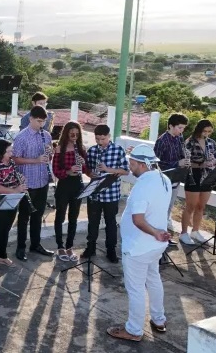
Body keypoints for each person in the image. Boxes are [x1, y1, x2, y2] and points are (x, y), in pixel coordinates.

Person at [107, 144, 171, 342]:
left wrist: (156, 233)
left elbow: (138, 220)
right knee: (153, 279)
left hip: (139, 247)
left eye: (131, 163)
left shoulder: (143, 185)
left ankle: (134, 330)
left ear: (142, 164)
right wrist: (158, 234)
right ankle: (159, 319)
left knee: (135, 289)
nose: (130, 166)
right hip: (155, 246)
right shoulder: (164, 178)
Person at [11, 106, 55, 261]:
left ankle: (35, 244)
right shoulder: (21, 137)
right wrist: (35, 160)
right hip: (28, 182)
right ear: (30, 119)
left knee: (38, 216)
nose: (41, 124)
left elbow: (48, 158)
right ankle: (20, 247)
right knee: (24, 217)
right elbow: (15, 159)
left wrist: (49, 154)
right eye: (38, 121)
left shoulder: (47, 136)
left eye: (43, 121)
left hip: (42, 181)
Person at [83, 125, 129, 263]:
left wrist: (107, 169)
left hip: (111, 193)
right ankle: (90, 248)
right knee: (93, 223)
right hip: (95, 194)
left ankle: (111, 250)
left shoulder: (118, 150)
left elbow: (126, 171)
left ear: (109, 136)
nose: (100, 142)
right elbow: (88, 170)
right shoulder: (92, 151)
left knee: (110, 223)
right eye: (97, 139)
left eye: (103, 139)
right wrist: (92, 173)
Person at [0, 139, 29, 272]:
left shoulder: (11, 163)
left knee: (5, 230)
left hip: (12, 201)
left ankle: (2, 256)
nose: (11, 153)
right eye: (9, 151)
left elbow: (13, 177)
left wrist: (20, 179)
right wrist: (16, 190)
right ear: (1, 152)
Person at [180, 119, 216, 245]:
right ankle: (183, 233)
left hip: (208, 175)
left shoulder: (211, 142)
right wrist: (201, 163)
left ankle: (195, 231)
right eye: (205, 131)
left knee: (201, 206)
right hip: (193, 175)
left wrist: (213, 161)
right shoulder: (190, 142)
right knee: (190, 206)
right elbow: (185, 161)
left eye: (209, 131)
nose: (207, 134)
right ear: (199, 129)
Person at [52, 121, 88, 262]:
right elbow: (56, 171)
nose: (74, 136)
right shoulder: (59, 148)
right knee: (60, 216)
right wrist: (68, 171)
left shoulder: (80, 148)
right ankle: (60, 246)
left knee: (74, 217)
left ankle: (69, 246)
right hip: (64, 185)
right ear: (67, 133)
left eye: (77, 134)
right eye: (72, 133)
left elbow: (85, 170)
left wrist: (83, 164)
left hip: (77, 185)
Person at [153, 113, 191, 246]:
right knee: (161, 209)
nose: (182, 131)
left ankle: (164, 236)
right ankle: (160, 236)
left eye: (183, 128)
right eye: (179, 128)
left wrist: (186, 158)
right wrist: (177, 163)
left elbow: (181, 153)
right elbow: (156, 164)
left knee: (168, 209)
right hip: (164, 180)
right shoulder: (162, 141)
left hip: (176, 178)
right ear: (170, 126)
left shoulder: (179, 137)